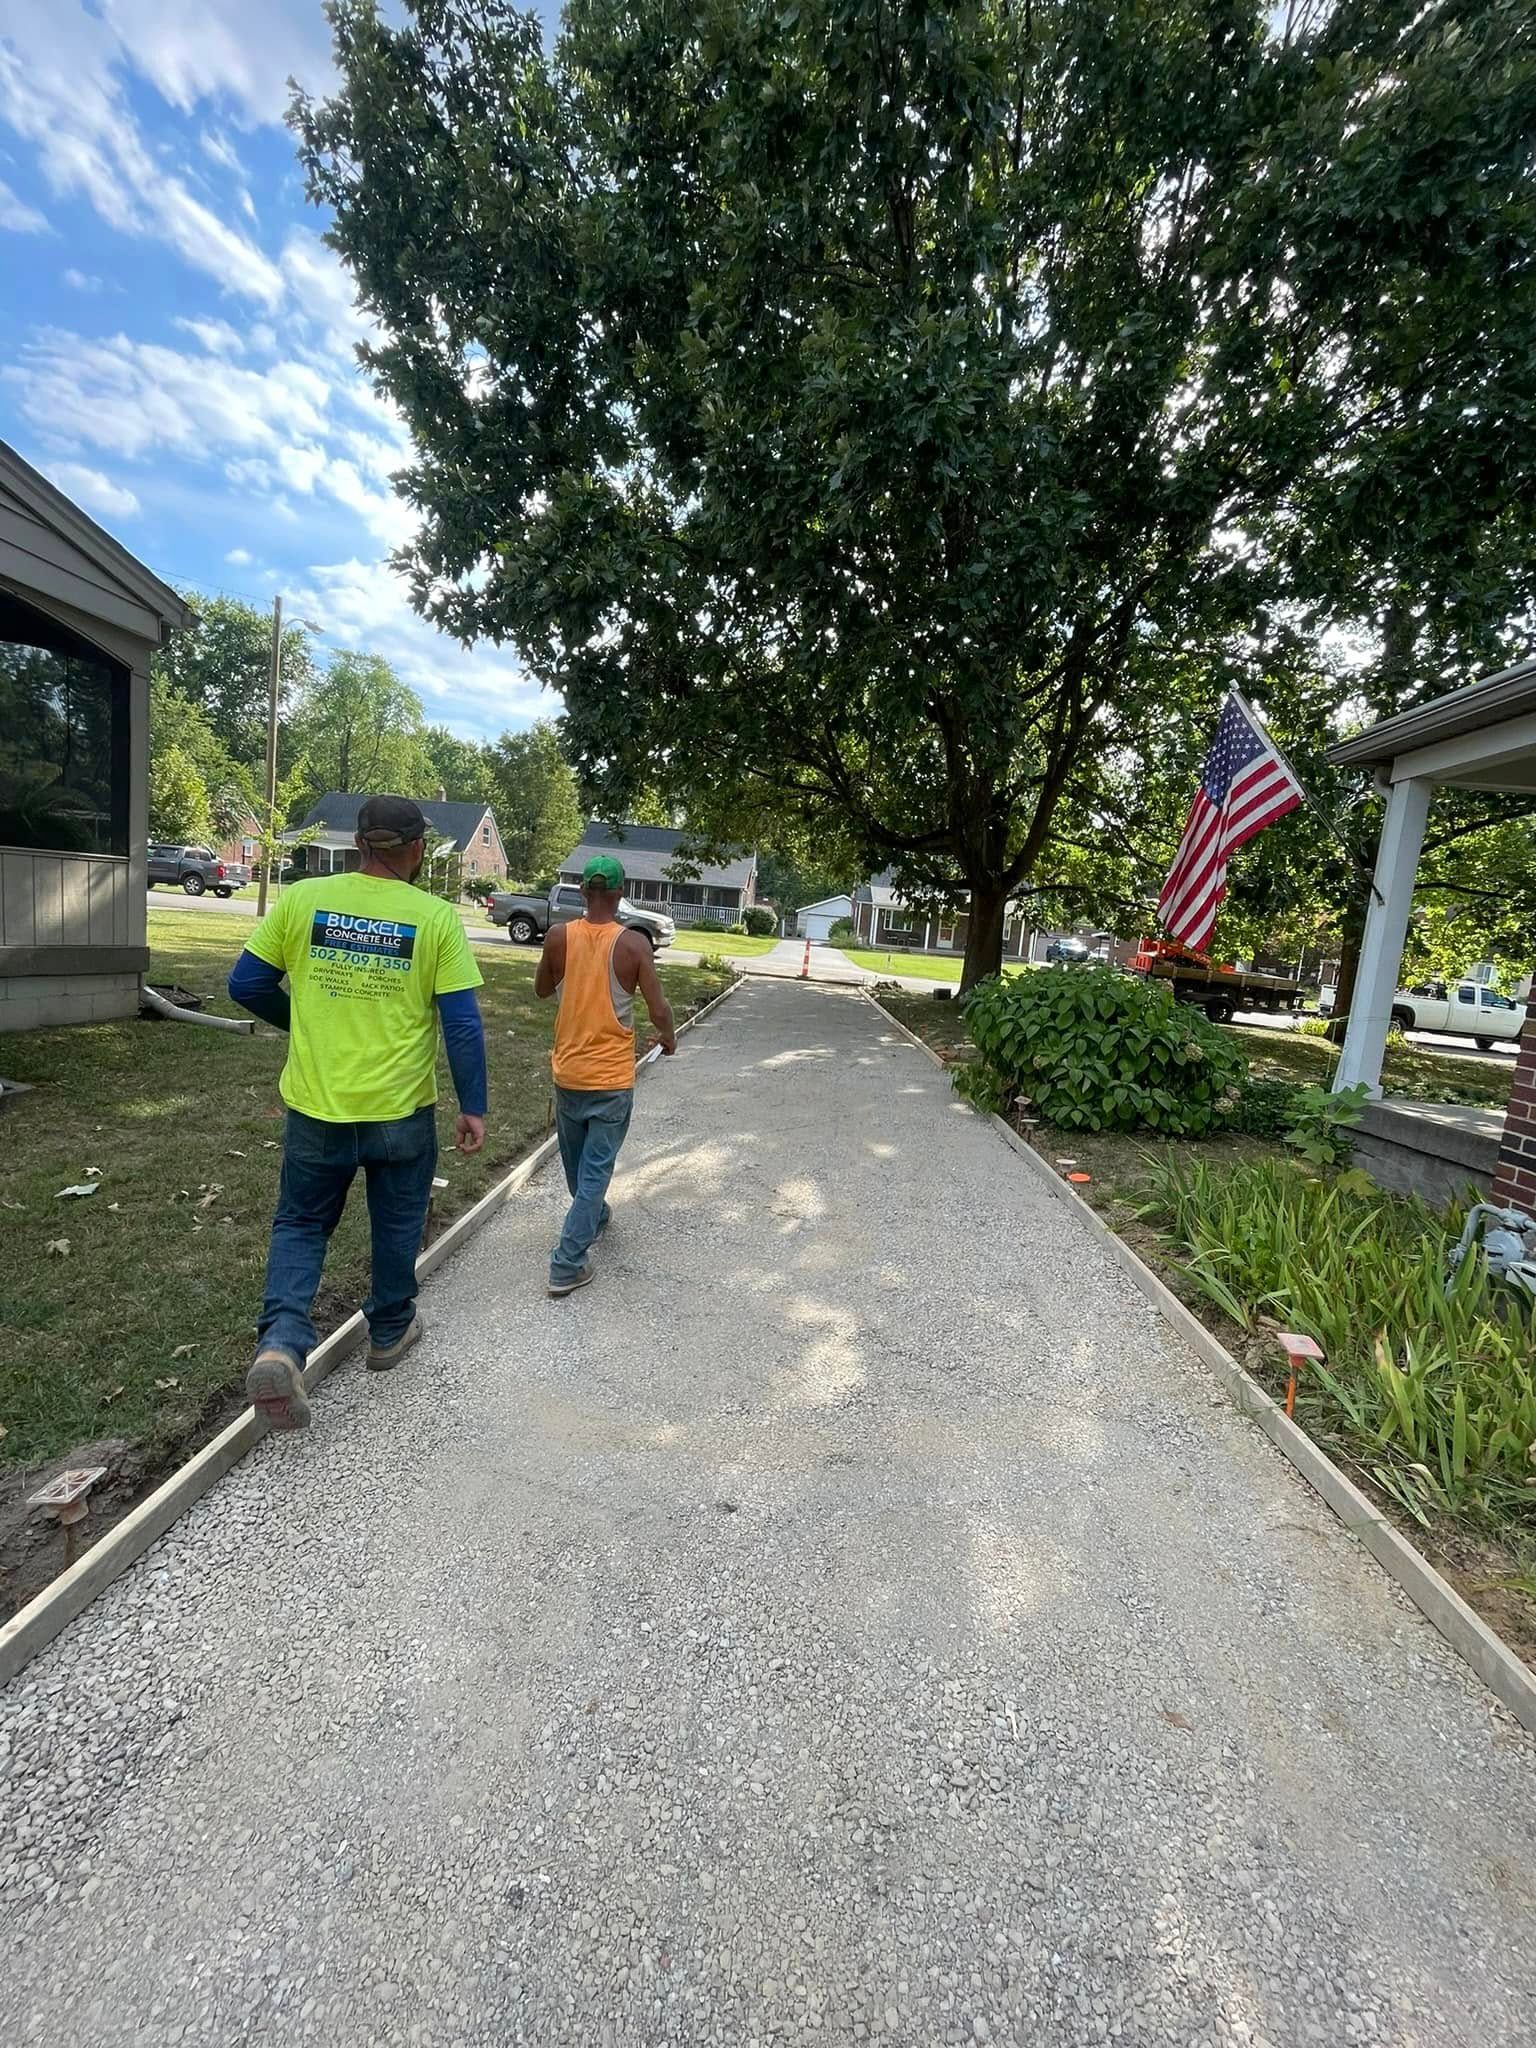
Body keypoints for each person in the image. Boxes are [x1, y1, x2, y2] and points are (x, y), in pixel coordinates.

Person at [227, 795, 488, 1430]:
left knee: (301, 1224)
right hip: (400, 1112)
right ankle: (390, 1331)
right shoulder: (434, 918)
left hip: (317, 1109)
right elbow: (462, 1025)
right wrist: (473, 1106)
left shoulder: (302, 900)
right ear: (417, 850)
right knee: (396, 1224)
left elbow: (246, 984)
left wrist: (306, 1025)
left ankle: (282, 1345)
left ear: (360, 844)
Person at [536, 853, 675, 1295]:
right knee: (594, 1173)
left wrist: (560, 968)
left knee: (579, 1168)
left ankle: (592, 1216)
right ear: (619, 894)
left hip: (569, 1073)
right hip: (611, 1080)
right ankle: (567, 1263)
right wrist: (668, 1037)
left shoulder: (559, 937)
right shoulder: (634, 945)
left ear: (582, 892)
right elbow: (658, 1008)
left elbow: (541, 989)